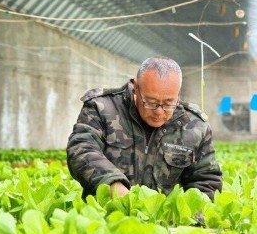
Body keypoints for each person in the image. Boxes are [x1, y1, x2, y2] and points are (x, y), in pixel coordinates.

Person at [67, 56, 223, 200]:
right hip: (104, 219)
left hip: (162, 227)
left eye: (169, 103)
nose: (159, 111)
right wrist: (112, 184)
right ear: (136, 88)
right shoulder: (102, 108)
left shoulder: (195, 126)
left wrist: (186, 219)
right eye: (151, 101)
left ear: (178, 94)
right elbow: (81, 149)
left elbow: (206, 180)